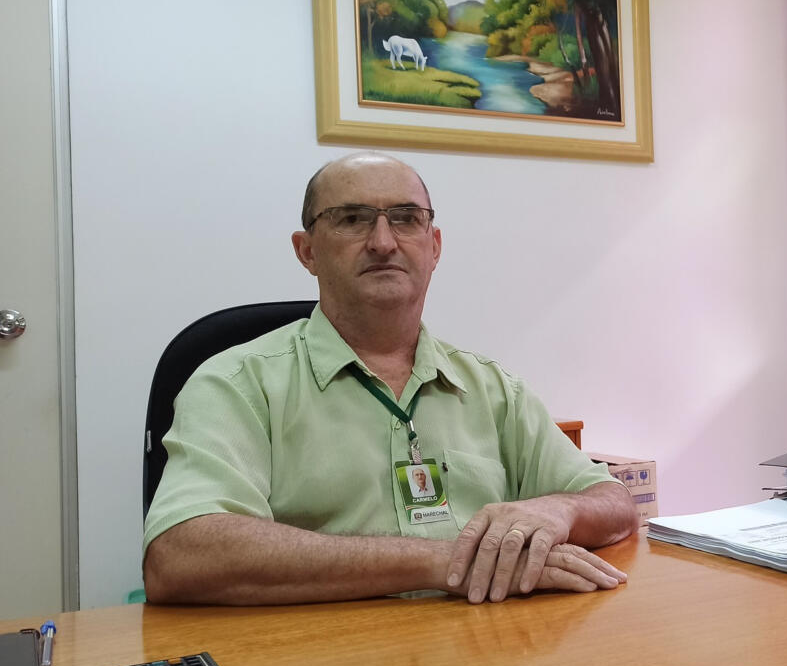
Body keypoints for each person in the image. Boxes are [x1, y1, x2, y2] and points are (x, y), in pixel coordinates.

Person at [142, 152, 637, 605]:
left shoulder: (493, 388)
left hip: (484, 654)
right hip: (321, 661)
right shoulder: (235, 384)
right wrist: (444, 561)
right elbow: (180, 552)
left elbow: (614, 502)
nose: (383, 242)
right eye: (352, 219)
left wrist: (559, 510)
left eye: (406, 218)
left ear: (434, 246)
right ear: (307, 251)